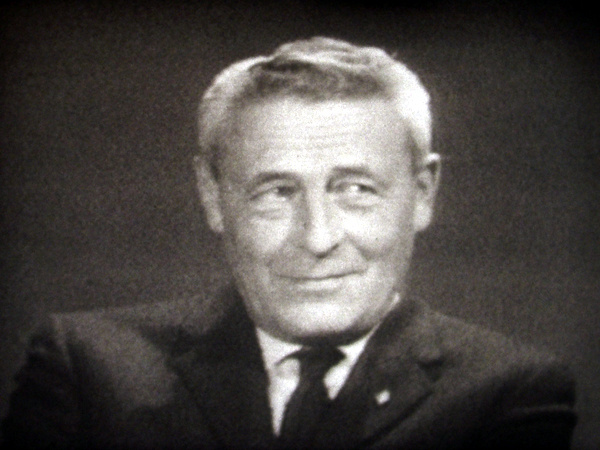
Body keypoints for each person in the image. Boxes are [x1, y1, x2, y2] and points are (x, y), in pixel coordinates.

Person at [2, 37, 576, 449]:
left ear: (423, 193)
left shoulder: (508, 392)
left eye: (356, 190)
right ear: (212, 196)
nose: (318, 238)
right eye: (276, 192)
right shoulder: (88, 369)